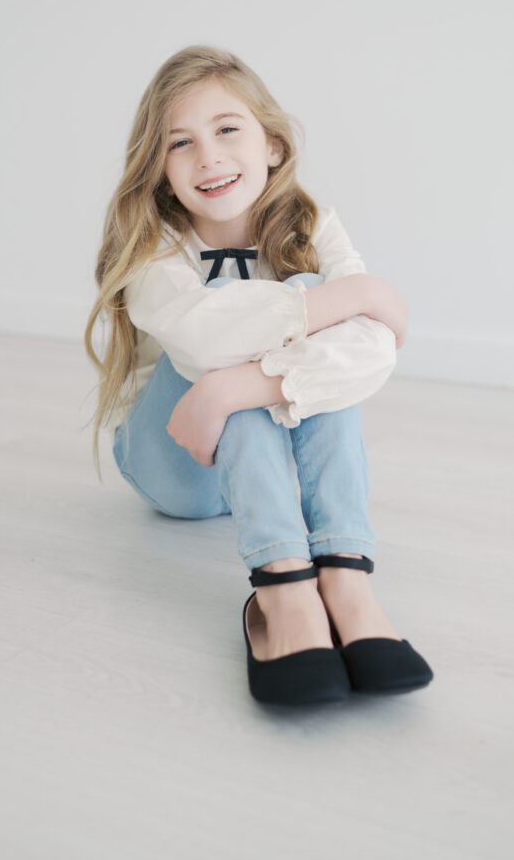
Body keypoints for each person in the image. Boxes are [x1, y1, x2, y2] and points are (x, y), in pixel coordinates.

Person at [84, 45, 433, 705]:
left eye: (226, 130)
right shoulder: (157, 242)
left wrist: (235, 389)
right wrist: (356, 297)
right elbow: (200, 335)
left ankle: (342, 576)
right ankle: (281, 589)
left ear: (271, 144)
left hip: (260, 452)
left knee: (301, 307)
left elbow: (373, 352)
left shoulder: (312, 224)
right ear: (158, 170)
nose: (208, 157)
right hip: (176, 462)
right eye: (179, 144)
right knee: (270, 320)